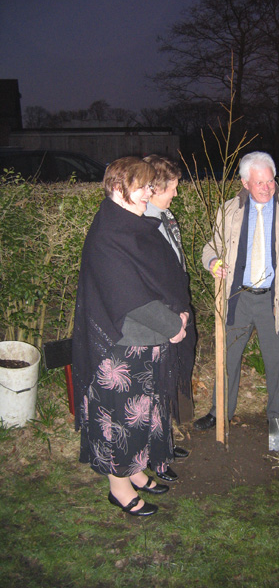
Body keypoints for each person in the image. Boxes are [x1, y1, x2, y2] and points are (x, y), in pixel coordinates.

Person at [72, 156, 193, 517]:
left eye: (148, 186)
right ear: (116, 189)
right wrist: (175, 326)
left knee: (144, 414)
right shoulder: (110, 233)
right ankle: (119, 487)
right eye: (140, 187)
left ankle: (137, 470)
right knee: (119, 421)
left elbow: (160, 278)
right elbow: (130, 299)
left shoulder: (133, 225)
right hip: (120, 349)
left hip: (147, 342)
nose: (147, 193)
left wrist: (178, 313)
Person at [193, 151, 279, 430]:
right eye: (259, 183)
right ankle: (219, 413)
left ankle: (278, 417)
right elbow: (211, 248)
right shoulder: (229, 210)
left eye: (270, 181)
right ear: (245, 183)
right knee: (226, 360)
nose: (267, 188)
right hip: (237, 298)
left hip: (276, 301)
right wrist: (213, 262)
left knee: (278, 364)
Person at [143, 154, 196, 480]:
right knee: (155, 384)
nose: (176, 193)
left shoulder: (164, 215)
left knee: (172, 378)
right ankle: (153, 453)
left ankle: (165, 440)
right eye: (172, 187)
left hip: (176, 307)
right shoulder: (144, 222)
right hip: (159, 316)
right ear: (154, 188)